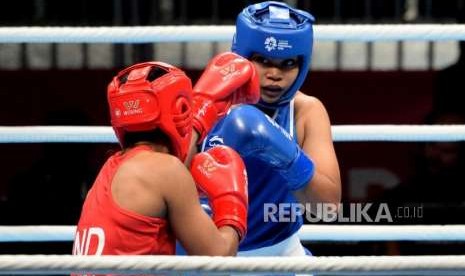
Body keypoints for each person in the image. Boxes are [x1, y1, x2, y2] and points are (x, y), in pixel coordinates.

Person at [72, 54, 260, 256]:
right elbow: (219, 258)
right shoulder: (166, 171)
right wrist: (232, 203)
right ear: (181, 110)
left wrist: (204, 109)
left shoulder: (113, 166)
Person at [199, 1, 341, 256]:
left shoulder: (306, 111)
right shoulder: (204, 105)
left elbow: (327, 208)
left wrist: (284, 154)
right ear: (242, 55)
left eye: (288, 63)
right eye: (263, 60)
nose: (275, 74)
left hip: (281, 252)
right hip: (207, 252)